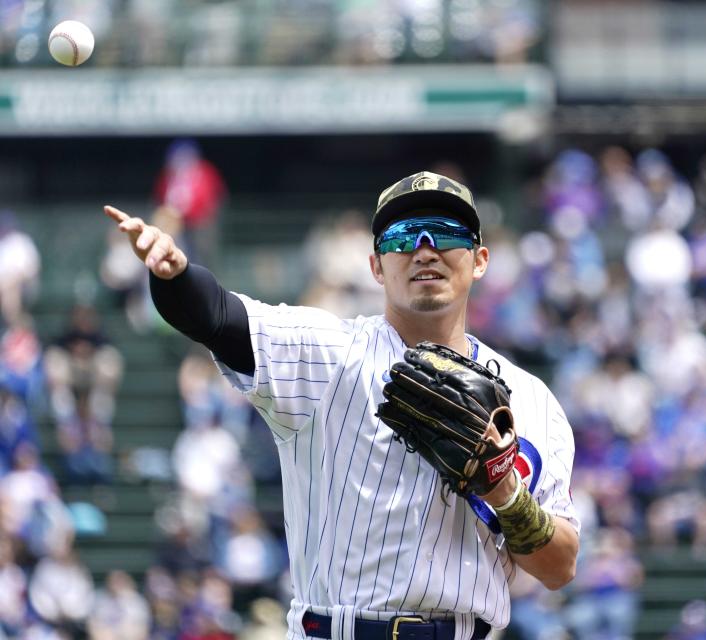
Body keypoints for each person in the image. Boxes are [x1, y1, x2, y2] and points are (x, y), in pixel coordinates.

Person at [103, 170, 580, 640]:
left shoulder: (531, 400)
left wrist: (505, 494)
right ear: (376, 265)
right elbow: (219, 317)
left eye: (448, 232)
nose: (425, 247)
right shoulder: (327, 352)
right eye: (402, 236)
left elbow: (559, 567)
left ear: (479, 260)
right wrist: (176, 276)